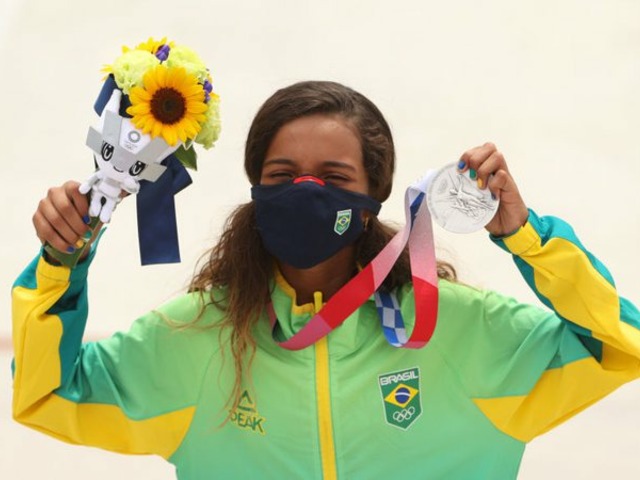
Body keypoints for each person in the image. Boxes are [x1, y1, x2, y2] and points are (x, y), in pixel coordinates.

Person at [11, 81, 640, 479]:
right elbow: (49, 394)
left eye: (334, 178)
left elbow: (620, 343)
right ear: (257, 190)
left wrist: (524, 235)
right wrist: (62, 262)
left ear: (373, 197)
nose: (306, 191)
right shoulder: (199, 338)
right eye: (283, 176)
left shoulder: (460, 329)